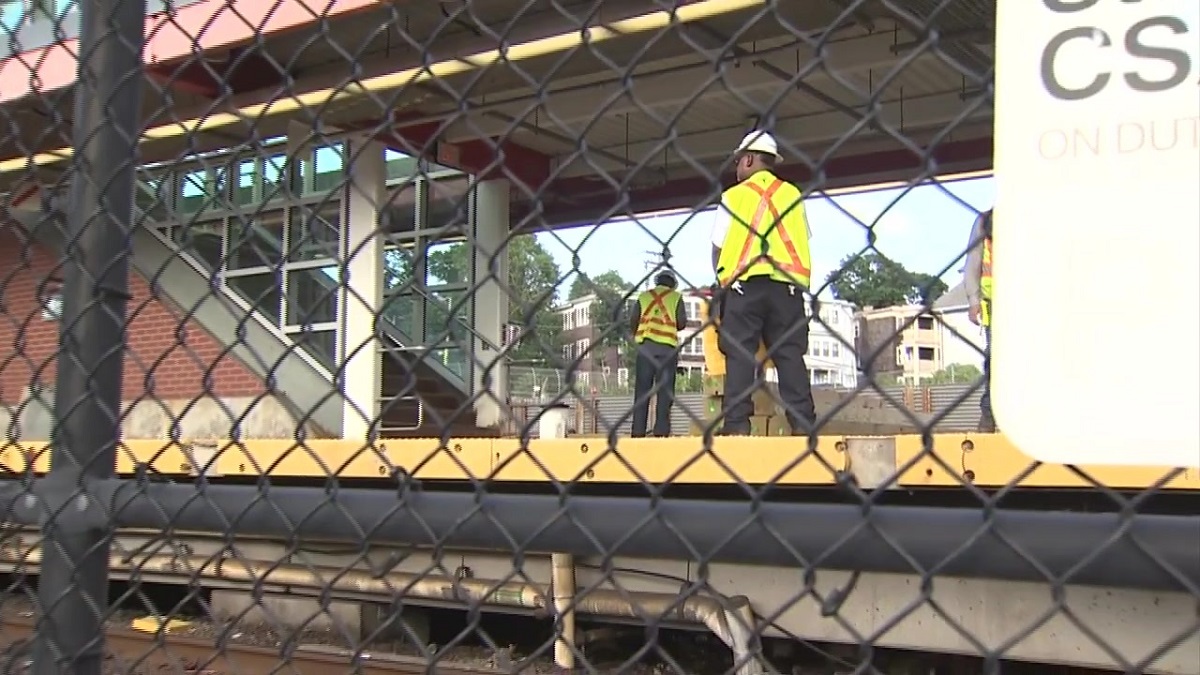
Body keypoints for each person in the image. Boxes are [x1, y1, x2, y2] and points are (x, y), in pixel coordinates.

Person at [709, 130, 816, 435]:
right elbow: (802, 237)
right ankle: (804, 425)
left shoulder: (733, 196)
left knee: (740, 354)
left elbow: (718, 245)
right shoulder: (793, 194)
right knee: (790, 355)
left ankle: (737, 426)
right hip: (787, 286)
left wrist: (722, 283)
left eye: (739, 160)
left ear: (750, 158)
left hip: (743, 285)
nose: (737, 167)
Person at [629, 270, 687, 437]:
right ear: (673, 283)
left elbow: (633, 320)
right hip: (667, 349)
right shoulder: (676, 297)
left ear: (657, 281)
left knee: (642, 391)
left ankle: (638, 431)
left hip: (646, 348)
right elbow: (681, 322)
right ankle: (661, 431)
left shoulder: (644, 296)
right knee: (665, 392)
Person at [963, 208, 996, 432]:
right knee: (995, 359)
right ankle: (989, 414)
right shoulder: (985, 220)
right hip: (997, 304)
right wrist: (974, 300)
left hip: (1028, 301)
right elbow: (973, 261)